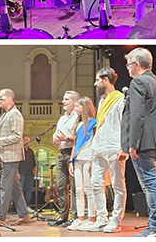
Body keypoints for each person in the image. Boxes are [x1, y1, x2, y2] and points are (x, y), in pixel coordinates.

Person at [117, 47, 156, 237]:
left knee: (149, 184)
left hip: (143, 141)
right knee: (151, 182)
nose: (127, 68)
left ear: (137, 65)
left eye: (129, 64)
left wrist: (133, 143)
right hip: (155, 139)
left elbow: (137, 116)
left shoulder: (138, 82)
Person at [82, 68, 127, 233]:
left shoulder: (120, 100)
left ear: (105, 80)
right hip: (99, 146)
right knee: (95, 184)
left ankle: (116, 220)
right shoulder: (102, 101)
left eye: (97, 80)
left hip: (114, 146)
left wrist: (124, 147)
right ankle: (101, 218)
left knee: (117, 184)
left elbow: (124, 124)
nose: (95, 83)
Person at [0, 89, 31, 226]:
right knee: (14, 186)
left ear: (8, 98)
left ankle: (1, 216)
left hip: (12, 155)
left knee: (5, 186)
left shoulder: (15, 114)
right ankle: (24, 214)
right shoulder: (5, 115)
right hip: (6, 154)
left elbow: (17, 136)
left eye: (0, 97)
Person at [49, 90, 80, 227]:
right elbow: (57, 135)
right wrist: (55, 139)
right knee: (61, 186)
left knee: (74, 186)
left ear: (74, 102)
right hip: (61, 153)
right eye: (64, 99)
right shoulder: (62, 118)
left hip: (73, 153)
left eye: (66, 99)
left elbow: (80, 138)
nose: (63, 102)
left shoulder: (77, 117)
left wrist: (65, 138)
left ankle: (74, 216)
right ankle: (63, 215)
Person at [67, 97, 98, 231]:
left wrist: (92, 159)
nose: (75, 109)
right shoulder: (78, 124)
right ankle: (80, 218)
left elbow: (95, 141)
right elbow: (75, 144)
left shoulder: (93, 123)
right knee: (79, 190)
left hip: (88, 158)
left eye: (77, 106)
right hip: (77, 159)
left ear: (84, 107)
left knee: (89, 189)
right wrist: (70, 161)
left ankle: (91, 217)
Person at [19, 136, 37, 208]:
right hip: (22, 173)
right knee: (21, 190)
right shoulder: (20, 150)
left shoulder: (31, 151)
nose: (27, 142)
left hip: (30, 174)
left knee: (28, 191)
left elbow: (34, 161)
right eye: (26, 140)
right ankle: (21, 207)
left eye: (28, 140)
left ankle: (27, 205)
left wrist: (34, 168)